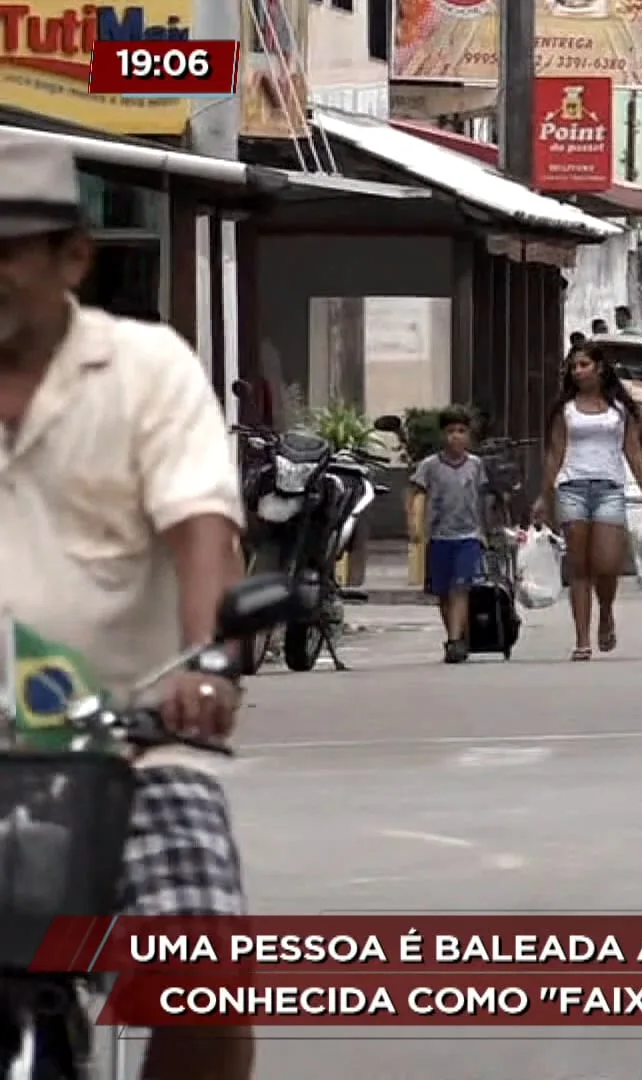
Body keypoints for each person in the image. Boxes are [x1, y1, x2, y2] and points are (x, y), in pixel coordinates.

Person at [0, 134, 253, 1079]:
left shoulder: (148, 369)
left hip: (128, 744)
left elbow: (199, 519)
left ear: (72, 256)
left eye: (7, 252)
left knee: (206, 981)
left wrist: (205, 659)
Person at [534, 344, 642, 661]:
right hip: (572, 489)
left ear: (599, 368)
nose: (578, 371)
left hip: (609, 489)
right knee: (580, 568)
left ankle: (605, 611)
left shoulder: (619, 410)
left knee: (606, 565)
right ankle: (581, 639)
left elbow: (633, 451)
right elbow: (555, 452)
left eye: (584, 365)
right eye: (574, 367)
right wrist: (544, 494)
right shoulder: (565, 410)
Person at [409, 407, 488, 663]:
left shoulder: (476, 465)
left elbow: (483, 499)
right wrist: (414, 525)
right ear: (443, 435)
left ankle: (454, 641)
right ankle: (455, 635)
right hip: (439, 536)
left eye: (461, 431)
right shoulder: (430, 466)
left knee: (460, 588)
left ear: (469, 436)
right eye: (451, 431)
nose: (456, 436)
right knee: (443, 593)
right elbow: (415, 494)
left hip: (469, 536)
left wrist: (488, 532)